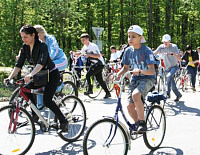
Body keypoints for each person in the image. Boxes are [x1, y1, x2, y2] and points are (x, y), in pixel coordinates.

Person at [4, 25, 68, 132]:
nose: (24, 40)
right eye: (22, 37)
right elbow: (19, 64)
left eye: (26, 37)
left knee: (47, 100)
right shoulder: (25, 47)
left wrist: (31, 75)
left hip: (51, 75)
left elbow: (41, 63)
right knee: (25, 90)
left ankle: (63, 121)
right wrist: (10, 77)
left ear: (33, 35)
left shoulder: (42, 46)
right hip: (40, 75)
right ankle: (35, 115)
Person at [117, 25, 156, 133]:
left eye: (133, 36)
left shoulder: (147, 51)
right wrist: (117, 75)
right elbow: (125, 68)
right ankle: (138, 123)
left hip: (148, 79)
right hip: (135, 80)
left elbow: (152, 71)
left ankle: (143, 123)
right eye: (129, 36)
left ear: (140, 38)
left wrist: (140, 71)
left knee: (136, 95)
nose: (130, 39)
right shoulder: (128, 51)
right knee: (129, 106)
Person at [34, 25, 68, 109]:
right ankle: (40, 103)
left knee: (50, 69)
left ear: (41, 33)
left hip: (60, 60)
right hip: (49, 62)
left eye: (36, 34)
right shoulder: (38, 43)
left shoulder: (50, 38)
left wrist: (49, 58)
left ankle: (59, 84)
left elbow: (54, 49)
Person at [74, 33, 111, 99]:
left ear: (88, 39)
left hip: (99, 63)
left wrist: (89, 55)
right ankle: (107, 93)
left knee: (88, 75)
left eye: (84, 40)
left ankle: (90, 89)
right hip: (94, 64)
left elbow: (98, 55)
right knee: (99, 79)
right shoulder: (85, 47)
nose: (82, 42)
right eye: (82, 40)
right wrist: (74, 54)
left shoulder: (93, 46)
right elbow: (81, 53)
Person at [154, 34, 182, 102]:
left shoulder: (174, 47)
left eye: (166, 41)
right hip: (167, 68)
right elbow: (154, 53)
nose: (165, 43)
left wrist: (173, 54)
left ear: (170, 41)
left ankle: (167, 93)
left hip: (174, 66)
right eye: (164, 42)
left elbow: (179, 59)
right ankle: (178, 95)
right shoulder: (161, 47)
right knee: (172, 83)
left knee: (168, 76)